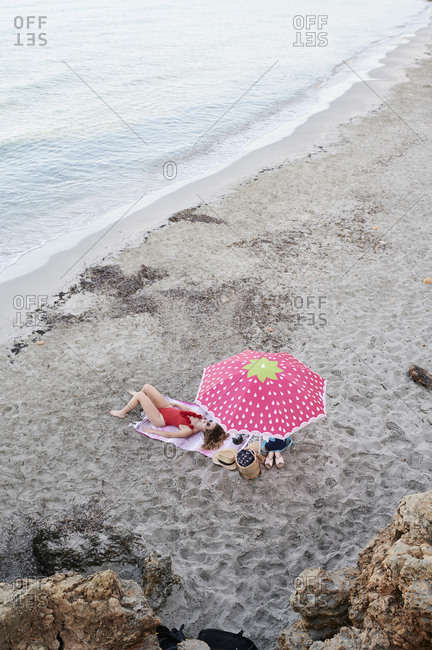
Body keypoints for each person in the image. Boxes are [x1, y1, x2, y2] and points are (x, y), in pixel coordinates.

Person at [110, 383, 228, 451]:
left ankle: (123, 412)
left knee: (141, 395)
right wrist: (177, 404)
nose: (206, 420)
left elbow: (169, 435)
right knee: (146, 387)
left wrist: (153, 431)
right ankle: (138, 400)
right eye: (210, 421)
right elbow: (188, 410)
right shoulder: (201, 417)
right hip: (166, 407)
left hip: (160, 418)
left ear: (205, 431)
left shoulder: (188, 431)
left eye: (207, 424)